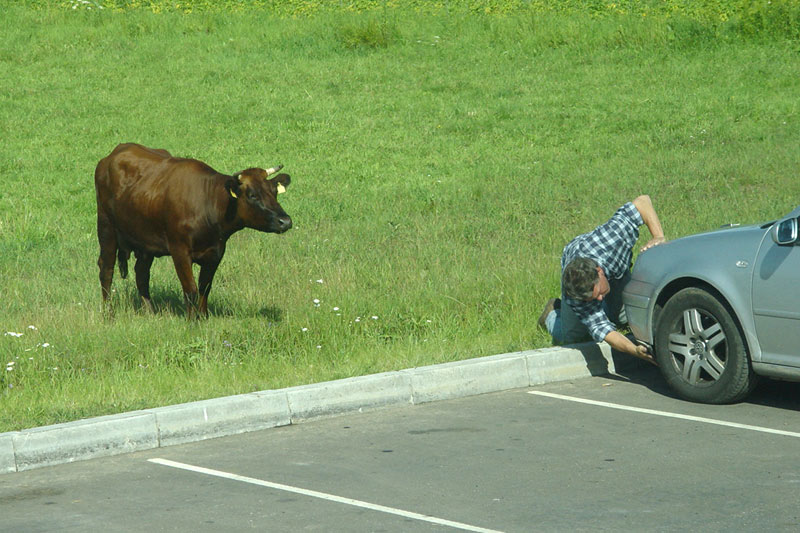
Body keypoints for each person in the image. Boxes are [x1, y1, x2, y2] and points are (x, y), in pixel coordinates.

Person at [538, 195, 665, 363]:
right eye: (594, 298)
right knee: (571, 335)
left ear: (599, 272)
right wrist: (634, 350)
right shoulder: (576, 295)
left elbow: (643, 202)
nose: (598, 298)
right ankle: (551, 313)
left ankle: (610, 308)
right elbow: (602, 329)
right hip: (581, 264)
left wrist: (658, 236)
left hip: (618, 270)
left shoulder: (611, 238)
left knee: (624, 319)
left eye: (598, 293)